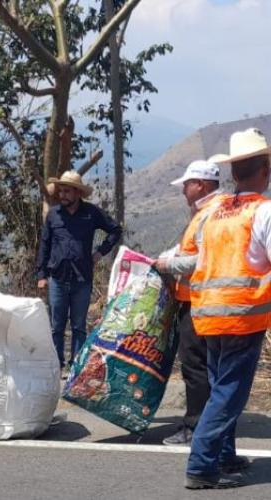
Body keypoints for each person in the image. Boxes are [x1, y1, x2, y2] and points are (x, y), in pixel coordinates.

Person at [180, 128, 271, 490]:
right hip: (242, 315)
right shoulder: (262, 212)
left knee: (221, 386)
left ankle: (223, 455)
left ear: (234, 174)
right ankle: (202, 466)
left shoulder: (216, 213)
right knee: (228, 394)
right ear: (265, 171)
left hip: (207, 313)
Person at [154, 161, 223, 446]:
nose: (183, 189)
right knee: (205, 367)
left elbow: (201, 260)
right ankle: (207, 424)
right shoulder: (204, 212)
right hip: (194, 300)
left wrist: (167, 264)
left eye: (187, 184)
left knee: (195, 367)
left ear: (202, 185)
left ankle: (195, 426)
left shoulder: (210, 214)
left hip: (199, 302)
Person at [36, 170, 122, 370]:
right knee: (56, 326)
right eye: (61, 191)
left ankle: (77, 367)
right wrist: (41, 275)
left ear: (77, 193)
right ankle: (56, 366)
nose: (62, 195)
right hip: (57, 278)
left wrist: (100, 252)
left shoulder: (91, 213)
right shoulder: (53, 215)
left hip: (82, 279)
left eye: (67, 191)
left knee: (78, 326)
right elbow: (45, 245)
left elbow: (115, 230)